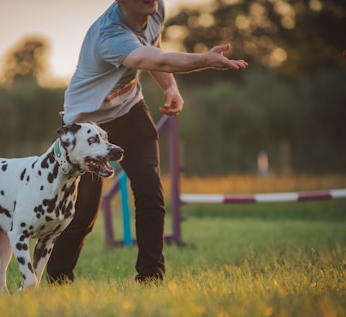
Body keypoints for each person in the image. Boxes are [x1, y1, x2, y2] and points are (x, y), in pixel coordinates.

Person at [47, 0, 248, 284]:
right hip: (86, 127)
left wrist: (170, 87)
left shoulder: (155, 9)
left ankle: (151, 278)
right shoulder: (110, 34)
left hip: (130, 112)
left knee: (151, 193)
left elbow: (155, 48)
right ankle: (58, 280)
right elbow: (154, 60)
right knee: (83, 213)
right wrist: (204, 60)